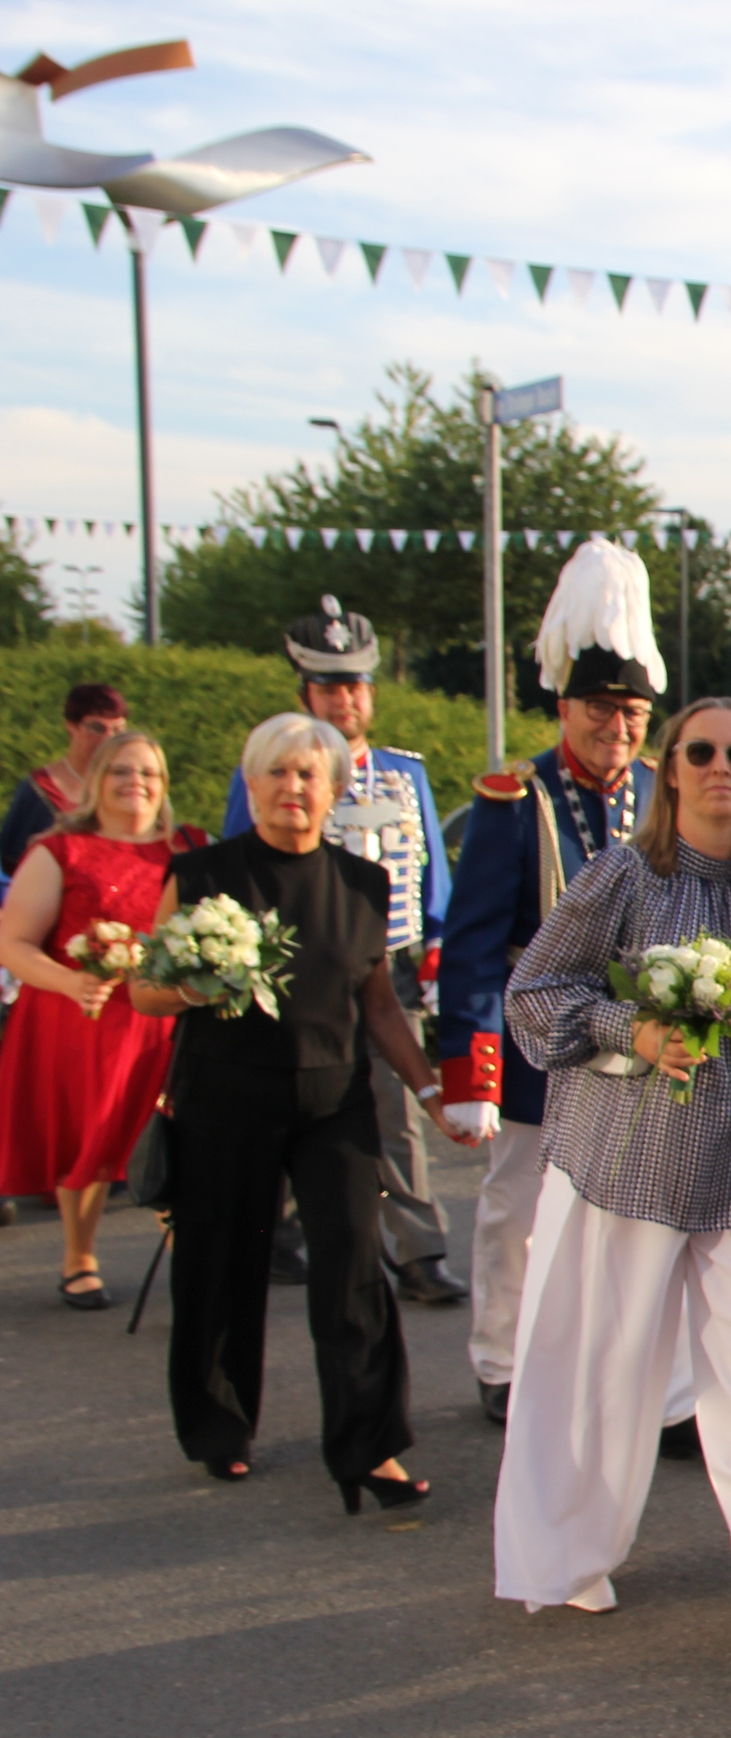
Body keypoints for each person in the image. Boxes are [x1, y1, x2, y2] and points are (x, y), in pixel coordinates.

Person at [492, 696, 731, 1664]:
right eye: (701, 751)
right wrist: (631, 1030)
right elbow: (535, 993)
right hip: (628, 1163)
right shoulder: (624, 875)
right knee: (603, 1367)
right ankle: (570, 1549)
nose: (722, 768)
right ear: (670, 769)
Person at [134, 713, 475, 1505]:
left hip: (334, 1102)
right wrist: (194, 988)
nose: (293, 788)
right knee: (223, 1263)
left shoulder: (364, 884)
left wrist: (430, 1091)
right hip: (224, 1097)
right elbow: (144, 989)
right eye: (278, 773)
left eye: (308, 775)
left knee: (353, 1268)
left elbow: (380, 1004)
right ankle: (220, 1427)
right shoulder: (202, 873)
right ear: (251, 784)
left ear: (333, 792)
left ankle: (370, 1447)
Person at [435, 539, 667, 1431]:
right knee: (520, 1214)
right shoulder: (513, 799)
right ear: (566, 706)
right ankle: (503, 1359)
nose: (618, 727)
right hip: (540, 1048)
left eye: (633, 712)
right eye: (602, 708)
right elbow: (473, 946)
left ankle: (630, 1372)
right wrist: (471, 1073)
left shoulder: (660, 794)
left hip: (641, 1045)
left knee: (638, 1218)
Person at [223, 601, 464, 1306]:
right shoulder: (272, 771)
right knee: (285, 1100)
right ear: (306, 693)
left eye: (355, 686)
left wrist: (437, 945)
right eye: (330, 687)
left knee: (396, 1114)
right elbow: (242, 866)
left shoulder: (403, 774)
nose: (345, 700)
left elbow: (430, 873)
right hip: (296, 969)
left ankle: (419, 1250)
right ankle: (275, 1232)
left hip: (387, 969)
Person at [0, 730, 206, 1306]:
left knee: (180, 1138)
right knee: (89, 1138)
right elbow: (12, 943)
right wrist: (72, 981)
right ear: (96, 781)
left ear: (164, 784)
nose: (135, 782)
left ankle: (190, 1262)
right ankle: (79, 1256)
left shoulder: (189, 848)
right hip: (83, 1020)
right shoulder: (60, 850)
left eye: (148, 772)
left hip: (166, 1018)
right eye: (121, 771)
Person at [3, 683, 131, 874]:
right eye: (97, 728)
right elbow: (9, 864)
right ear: (71, 726)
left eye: (118, 730)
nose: (108, 738)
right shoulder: (39, 790)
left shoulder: (133, 786)